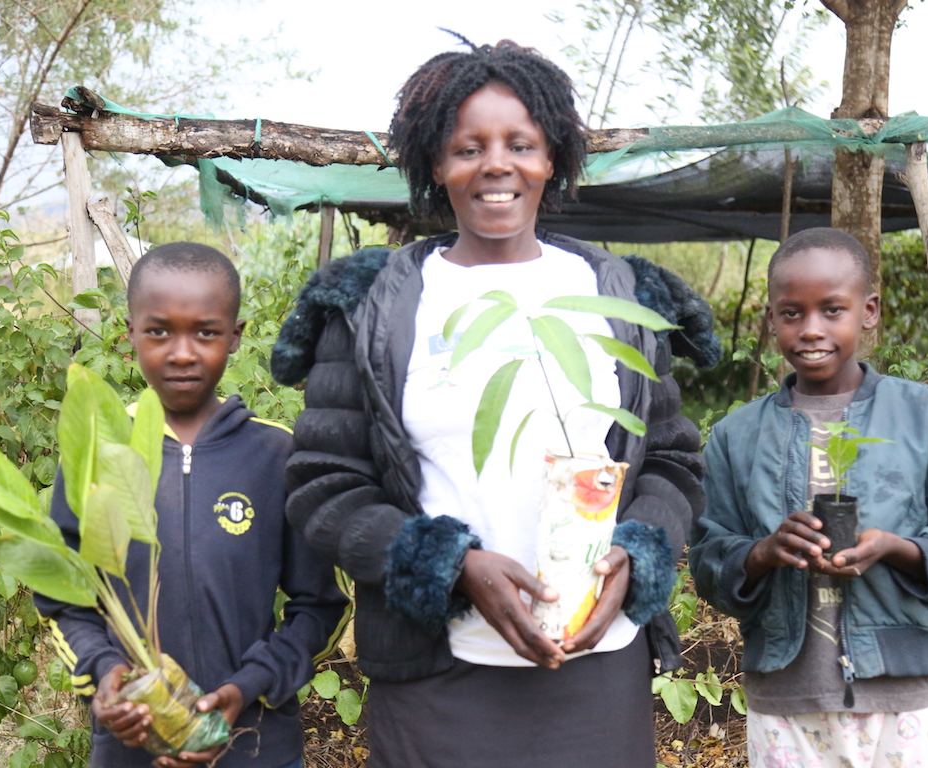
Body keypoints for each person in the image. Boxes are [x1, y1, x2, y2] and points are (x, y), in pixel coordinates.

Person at [270, 37, 720, 768]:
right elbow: (323, 486)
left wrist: (640, 554)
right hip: (439, 675)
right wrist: (450, 564)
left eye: (521, 143)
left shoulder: (618, 295)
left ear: (554, 158)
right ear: (434, 166)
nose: (496, 165)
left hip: (594, 664)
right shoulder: (377, 308)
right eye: (466, 147)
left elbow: (671, 461)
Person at [688, 227, 928, 768]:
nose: (810, 329)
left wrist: (893, 547)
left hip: (898, 697)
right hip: (784, 699)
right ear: (771, 320)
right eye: (791, 313)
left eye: (832, 310)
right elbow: (707, 564)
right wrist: (763, 553)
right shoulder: (735, 435)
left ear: (869, 311)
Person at [36, 243, 349, 768]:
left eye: (205, 331)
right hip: (130, 743)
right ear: (130, 333)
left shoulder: (277, 455)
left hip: (256, 743)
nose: (182, 352)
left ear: (235, 336)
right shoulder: (97, 452)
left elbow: (321, 606)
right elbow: (65, 599)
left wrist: (249, 685)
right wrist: (105, 672)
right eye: (159, 331)